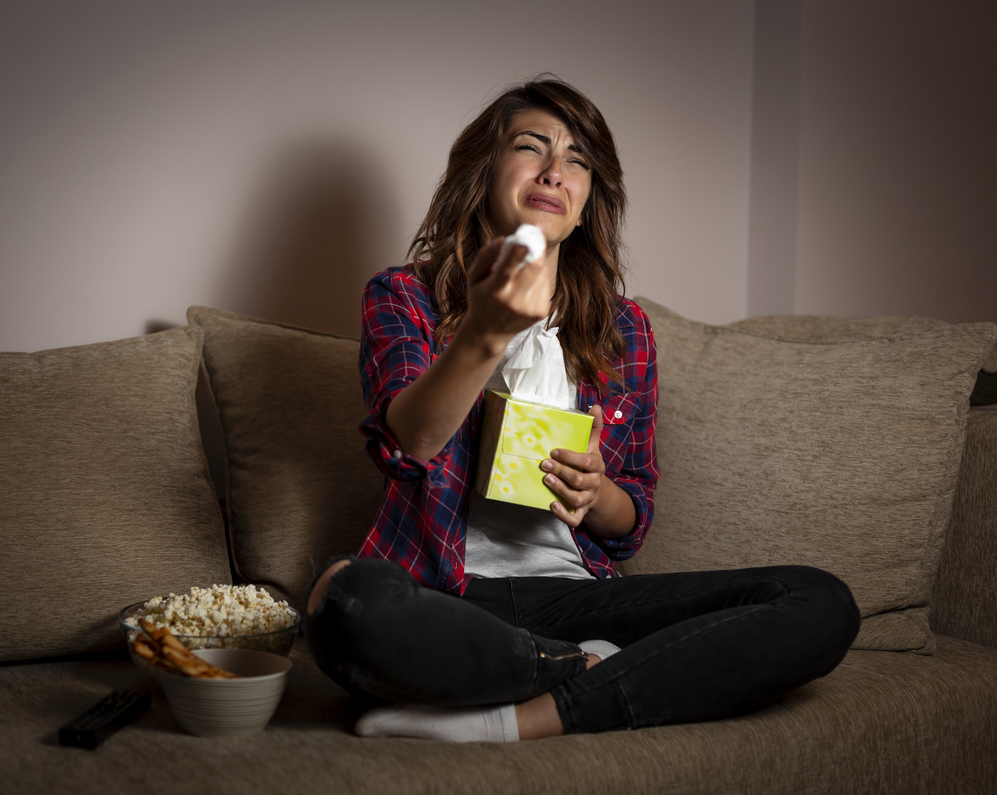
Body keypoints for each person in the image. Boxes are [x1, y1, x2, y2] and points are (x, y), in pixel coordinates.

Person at [304, 75, 860, 742]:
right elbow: (405, 447)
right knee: (346, 598)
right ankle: (592, 668)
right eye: (531, 147)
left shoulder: (625, 332)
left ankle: (527, 714)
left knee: (818, 601)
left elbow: (633, 520)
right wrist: (485, 334)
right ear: (486, 171)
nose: (553, 170)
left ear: (589, 197)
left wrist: (597, 494)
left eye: (577, 159)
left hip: (574, 594)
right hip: (449, 595)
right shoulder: (405, 296)